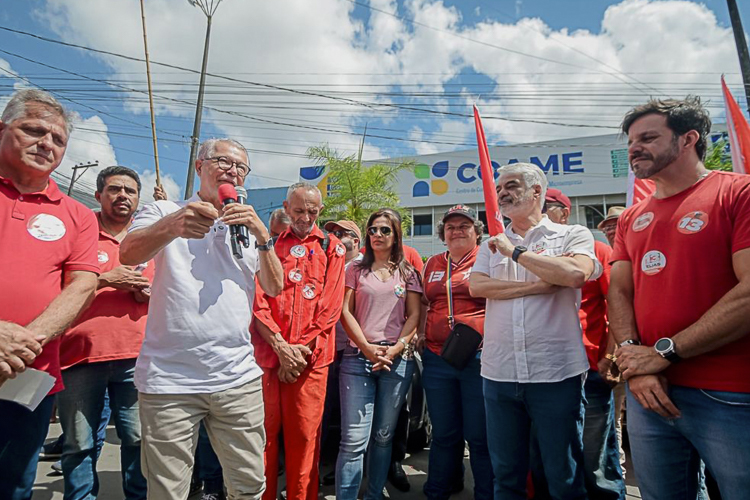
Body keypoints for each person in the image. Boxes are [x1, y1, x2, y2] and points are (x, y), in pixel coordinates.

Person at [120, 137, 284, 500]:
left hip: (237, 377)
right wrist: (173, 226)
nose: (233, 172)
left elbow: (274, 287)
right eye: (224, 162)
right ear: (199, 166)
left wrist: (262, 237)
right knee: (167, 491)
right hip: (169, 381)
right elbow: (127, 252)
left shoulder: (248, 225)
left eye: (241, 167)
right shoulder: (164, 210)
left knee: (249, 485)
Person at [610, 97, 750, 499]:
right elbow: (619, 291)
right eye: (632, 141)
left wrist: (665, 352)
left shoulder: (737, 193)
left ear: (688, 139)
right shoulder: (631, 217)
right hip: (648, 390)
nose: (635, 147)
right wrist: (636, 360)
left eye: (648, 137)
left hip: (730, 393)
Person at [469, 162, 601, 500]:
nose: (502, 194)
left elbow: (573, 274)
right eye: (499, 189)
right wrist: (537, 286)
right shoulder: (489, 245)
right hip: (500, 374)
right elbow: (477, 286)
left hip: (556, 375)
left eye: (511, 185)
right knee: (507, 476)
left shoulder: (571, 235)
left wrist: (516, 252)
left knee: (564, 476)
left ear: (537, 192)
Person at [0, 89, 100, 498]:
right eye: (34, 131)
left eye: (58, 140)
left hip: (29, 377)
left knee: (15, 485)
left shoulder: (76, 214)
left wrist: (24, 344)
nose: (47, 144)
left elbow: (82, 284)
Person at [57, 166, 150, 500]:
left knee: (138, 439)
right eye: (114, 189)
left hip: (137, 358)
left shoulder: (147, 239)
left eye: (130, 190)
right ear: (99, 195)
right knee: (78, 443)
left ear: (138, 199)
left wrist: (147, 293)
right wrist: (107, 279)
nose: (122, 195)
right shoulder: (78, 233)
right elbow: (56, 287)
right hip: (79, 356)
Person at [251, 182, 346, 500]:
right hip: (268, 358)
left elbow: (331, 307)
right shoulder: (269, 247)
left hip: (311, 362)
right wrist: (280, 347)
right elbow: (258, 300)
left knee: (305, 439)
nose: (306, 216)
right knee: (262, 438)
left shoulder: (332, 248)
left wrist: (298, 354)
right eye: (300, 210)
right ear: (286, 207)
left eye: (313, 210)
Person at [543, 189, 626, 499]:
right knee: (558, 454)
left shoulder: (596, 250)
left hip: (590, 368)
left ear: (565, 214)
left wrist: (610, 355)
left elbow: (616, 303)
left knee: (595, 457)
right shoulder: (533, 253)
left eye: (548, 208)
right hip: (547, 372)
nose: (540, 212)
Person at [336, 209, 422, 500]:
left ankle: (373, 495)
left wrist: (396, 348)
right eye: (372, 230)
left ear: (396, 235)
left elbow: (413, 316)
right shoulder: (355, 269)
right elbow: (345, 312)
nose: (377, 235)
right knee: (352, 441)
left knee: (384, 437)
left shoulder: (408, 271)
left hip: (397, 362)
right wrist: (367, 349)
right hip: (358, 359)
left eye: (385, 230)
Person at [418, 205, 494, 500]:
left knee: (478, 435)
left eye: (464, 225)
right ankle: (438, 490)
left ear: (477, 232)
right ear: (443, 234)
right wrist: (420, 334)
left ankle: (486, 494)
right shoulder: (433, 263)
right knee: (445, 433)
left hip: (478, 357)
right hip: (438, 358)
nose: (457, 230)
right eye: (451, 227)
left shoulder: (489, 258)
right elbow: (425, 302)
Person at [320, 219, 362, 486]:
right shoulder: (324, 262)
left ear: (356, 241)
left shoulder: (364, 268)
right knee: (322, 415)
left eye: (341, 233)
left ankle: (347, 474)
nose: (334, 236)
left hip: (354, 353)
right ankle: (312, 470)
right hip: (326, 352)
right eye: (331, 232)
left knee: (352, 420)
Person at [596, 205, 627, 480]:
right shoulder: (609, 259)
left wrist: (613, 357)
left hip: (637, 355)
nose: (609, 229)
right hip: (613, 358)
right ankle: (618, 468)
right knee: (613, 421)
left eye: (615, 223)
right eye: (606, 225)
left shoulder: (634, 259)